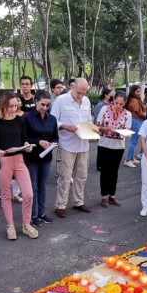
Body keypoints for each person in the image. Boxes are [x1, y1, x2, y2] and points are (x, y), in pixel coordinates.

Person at [0, 92, 37, 239]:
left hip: (20, 160)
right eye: (11, 106)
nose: (14, 109)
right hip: (3, 162)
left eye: (16, 105)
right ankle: (10, 225)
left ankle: (26, 224)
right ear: (3, 105)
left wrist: (27, 146)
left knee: (28, 194)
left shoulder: (20, 121)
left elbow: (24, 139)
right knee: (6, 195)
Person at [51, 78, 93, 217]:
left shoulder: (86, 101)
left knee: (82, 176)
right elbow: (52, 121)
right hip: (67, 144)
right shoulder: (61, 100)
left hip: (83, 144)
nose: (80, 96)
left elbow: (88, 120)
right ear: (72, 87)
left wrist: (91, 129)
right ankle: (60, 205)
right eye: (79, 92)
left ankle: (79, 202)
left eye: (83, 93)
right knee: (65, 176)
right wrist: (64, 126)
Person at [24, 90, 59, 227]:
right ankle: (33, 215)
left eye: (47, 105)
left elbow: (55, 136)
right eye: (42, 104)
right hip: (32, 156)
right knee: (33, 186)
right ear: (35, 102)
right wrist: (38, 142)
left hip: (46, 157)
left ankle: (42, 213)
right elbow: (24, 137)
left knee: (43, 186)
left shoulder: (52, 119)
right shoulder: (27, 118)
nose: (45, 108)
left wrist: (53, 143)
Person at [95, 90, 132, 208]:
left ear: (125, 104)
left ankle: (113, 195)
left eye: (121, 104)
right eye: (116, 103)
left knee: (114, 171)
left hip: (118, 146)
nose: (118, 106)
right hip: (104, 144)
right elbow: (97, 126)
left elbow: (128, 131)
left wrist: (120, 131)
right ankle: (104, 196)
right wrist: (106, 129)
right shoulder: (104, 110)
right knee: (105, 171)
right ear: (113, 100)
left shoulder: (127, 114)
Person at [123, 85, 146, 167]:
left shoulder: (133, 99)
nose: (139, 93)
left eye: (140, 91)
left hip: (136, 120)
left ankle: (131, 158)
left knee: (134, 140)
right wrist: (145, 115)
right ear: (133, 92)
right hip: (136, 120)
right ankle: (128, 160)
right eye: (137, 91)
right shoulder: (134, 101)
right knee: (134, 141)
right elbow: (138, 112)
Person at [93, 86, 114, 171]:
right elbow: (96, 118)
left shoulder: (112, 104)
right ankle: (100, 165)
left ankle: (107, 163)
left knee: (108, 146)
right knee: (101, 146)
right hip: (101, 128)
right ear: (106, 95)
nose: (112, 95)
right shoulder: (100, 105)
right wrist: (98, 128)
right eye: (111, 93)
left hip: (110, 128)